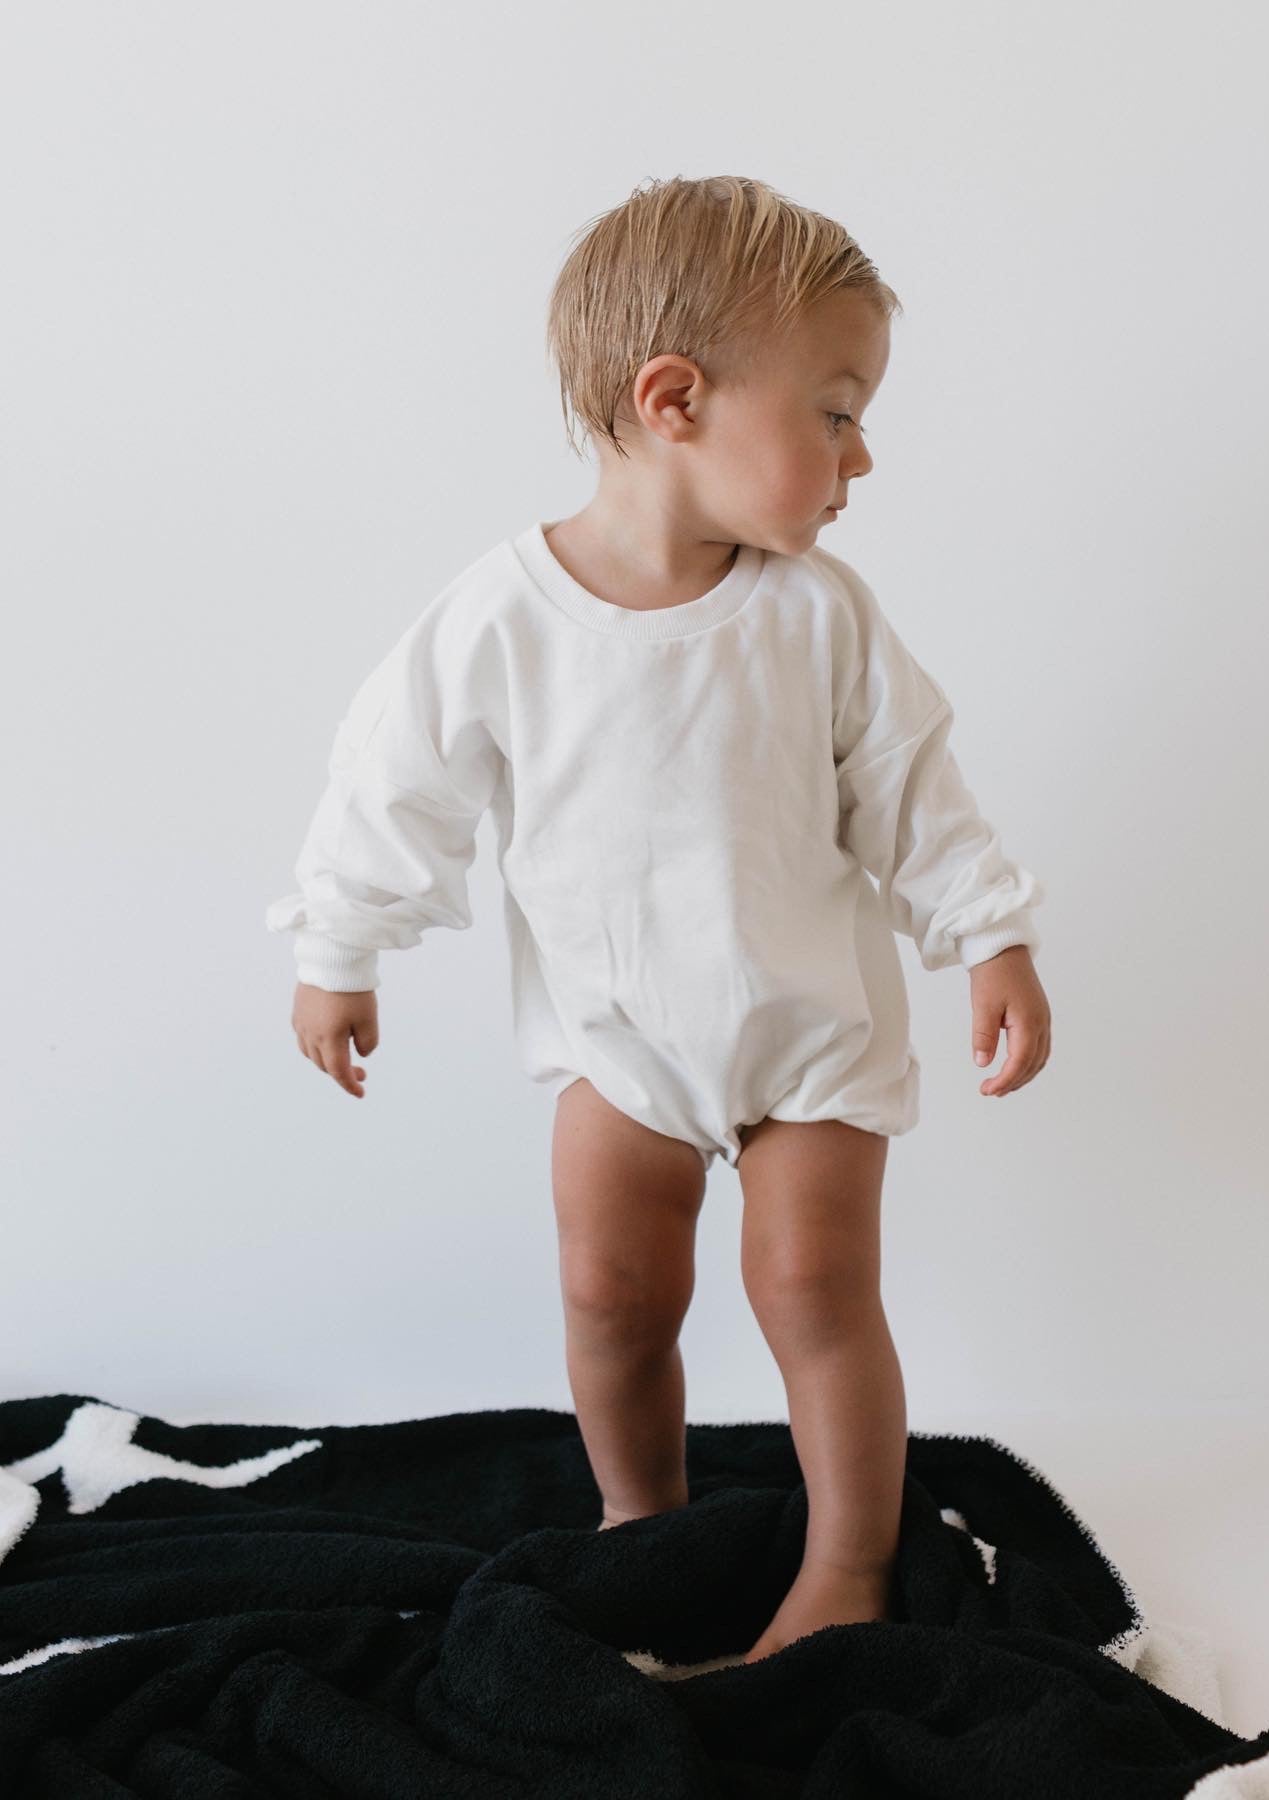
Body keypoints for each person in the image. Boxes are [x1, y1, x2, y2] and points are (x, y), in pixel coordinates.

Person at [265, 174, 1052, 1664]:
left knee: (814, 1282)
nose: (861, 453)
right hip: (617, 1037)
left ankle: (848, 1563)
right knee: (609, 1288)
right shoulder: (500, 620)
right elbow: (391, 787)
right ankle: (645, 1520)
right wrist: (338, 950)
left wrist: (989, 935)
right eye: (834, 410)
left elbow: (912, 792)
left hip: (807, 1028)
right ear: (675, 397)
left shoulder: (818, 614)